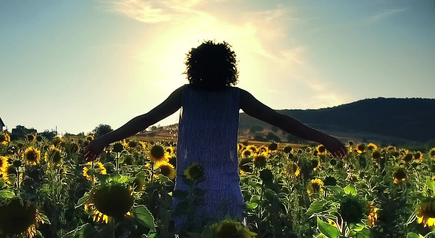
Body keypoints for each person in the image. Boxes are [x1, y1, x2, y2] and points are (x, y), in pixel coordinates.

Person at [84, 40, 347, 227]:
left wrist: (105, 140)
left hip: (191, 186)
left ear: (193, 67)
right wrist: (325, 138)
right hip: (220, 186)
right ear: (228, 68)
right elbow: (282, 121)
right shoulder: (232, 96)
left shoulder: (189, 94)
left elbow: (145, 120)